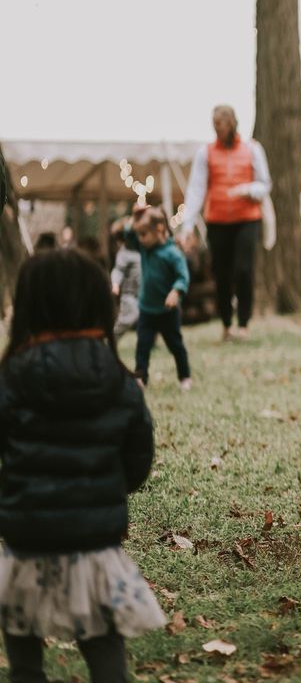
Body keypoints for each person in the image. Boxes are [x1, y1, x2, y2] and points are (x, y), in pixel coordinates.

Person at [0, 249, 165, 682]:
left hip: (25, 539)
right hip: (94, 543)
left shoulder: (11, 374)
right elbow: (138, 458)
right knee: (103, 643)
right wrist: (105, 487)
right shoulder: (117, 377)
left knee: (23, 652)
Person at [181, 105, 270, 342]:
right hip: (217, 220)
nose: (216, 129)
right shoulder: (206, 153)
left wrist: (247, 190)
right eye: (214, 125)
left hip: (247, 219)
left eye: (219, 124)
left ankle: (243, 323)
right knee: (221, 273)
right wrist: (188, 225)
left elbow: (264, 184)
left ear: (231, 123)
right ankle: (226, 323)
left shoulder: (252, 149)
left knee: (243, 270)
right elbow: (196, 189)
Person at [124, 205, 192, 390]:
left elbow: (183, 276)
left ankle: (185, 376)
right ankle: (140, 377)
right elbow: (128, 234)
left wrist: (176, 291)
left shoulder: (173, 254)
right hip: (146, 309)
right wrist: (134, 217)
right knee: (143, 346)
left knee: (175, 345)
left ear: (159, 229)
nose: (140, 239)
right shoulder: (145, 248)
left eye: (144, 234)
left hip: (167, 311)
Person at [110, 218, 141, 340]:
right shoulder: (124, 254)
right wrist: (115, 284)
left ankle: (150, 341)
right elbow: (118, 270)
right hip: (130, 295)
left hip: (142, 295)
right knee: (128, 318)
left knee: (148, 319)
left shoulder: (141, 250)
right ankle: (112, 338)